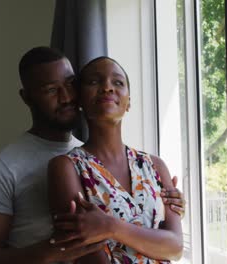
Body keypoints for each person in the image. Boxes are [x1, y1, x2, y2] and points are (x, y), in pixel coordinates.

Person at [0, 47, 185, 263]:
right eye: (51, 89)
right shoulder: (6, 167)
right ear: (27, 97)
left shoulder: (144, 164)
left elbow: (175, 247)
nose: (66, 96)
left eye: (70, 85)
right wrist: (53, 252)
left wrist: (161, 207)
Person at [47, 56, 183, 263]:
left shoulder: (155, 165)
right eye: (94, 82)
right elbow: (87, 256)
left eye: (118, 82)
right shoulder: (67, 167)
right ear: (80, 100)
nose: (107, 88)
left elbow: (175, 247)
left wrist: (111, 227)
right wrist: (157, 242)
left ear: (129, 102)